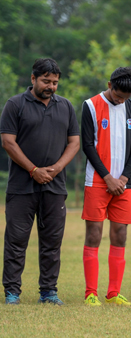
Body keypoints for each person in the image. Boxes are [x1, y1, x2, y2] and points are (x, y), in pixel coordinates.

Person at [1, 58, 80, 305]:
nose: (51, 86)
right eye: (46, 81)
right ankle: (12, 292)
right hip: (21, 187)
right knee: (16, 241)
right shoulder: (15, 105)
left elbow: (74, 142)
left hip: (55, 187)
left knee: (52, 243)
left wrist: (55, 169)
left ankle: (48, 292)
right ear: (33, 78)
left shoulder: (65, 106)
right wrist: (33, 169)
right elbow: (8, 142)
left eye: (55, 82)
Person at [81, 67, 131, 306]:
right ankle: (91, 294)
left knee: (120, 234)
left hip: (123, 185)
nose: (121, 100)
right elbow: (87, 145)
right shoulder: (90, 105)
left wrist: (124, 179)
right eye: (118, 95)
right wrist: (107, 177)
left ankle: (114, 293)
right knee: (94, 235)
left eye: (126, 97)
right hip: (97, 181)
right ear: (109, 84)